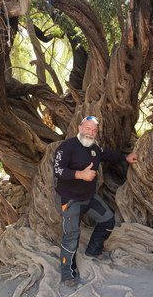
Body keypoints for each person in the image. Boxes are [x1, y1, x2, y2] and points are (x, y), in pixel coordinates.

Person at [54, 116, 138, 285]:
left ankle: (93, 250)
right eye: (87, 128)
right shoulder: (66, 147)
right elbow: (57, 170)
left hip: (89, 198)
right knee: (71, 237)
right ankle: (67, 274)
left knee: (108, 220)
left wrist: (125, 158)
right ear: (80, 127)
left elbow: (108, 155)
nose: (90, 133)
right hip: (70, 200)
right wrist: (80, 174)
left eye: (94, 131)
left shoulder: (95, 148)